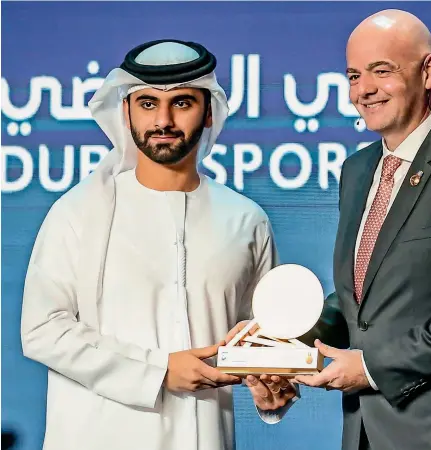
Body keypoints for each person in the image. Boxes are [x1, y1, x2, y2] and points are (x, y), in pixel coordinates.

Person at [20, 39, 296, 450]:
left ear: (208, 113)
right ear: (126, 111)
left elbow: (257, 343)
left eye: (182, 103)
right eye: (147, 103)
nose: (163, 120)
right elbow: (42, 330)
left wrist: (271, 392)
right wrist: (159, 371)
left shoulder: (246, 220)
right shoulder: (77, 212)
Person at [293, 9, 431, 450]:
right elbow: (367, 302)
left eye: (381, 71)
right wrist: (288, 335)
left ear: (428, 71)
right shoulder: (357, 171)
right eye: (354, 75)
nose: (364, 90)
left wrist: (371, 366)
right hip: (367, 431)